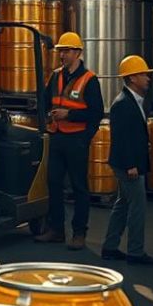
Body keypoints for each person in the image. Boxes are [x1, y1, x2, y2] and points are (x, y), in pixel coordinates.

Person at [36, 31, 104, 250]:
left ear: (77, 53)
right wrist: (48, 117)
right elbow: (45, 101)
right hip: (57, 137)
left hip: (76, 140)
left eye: (66, 51)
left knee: (79, 187)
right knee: (54, 183)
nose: (62, 55)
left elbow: (96, 113)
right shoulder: (56, 76)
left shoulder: (89, 80)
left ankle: (79, 233)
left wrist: (71, 117)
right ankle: (56, 229)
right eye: (60, 51)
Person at [102, 54, 153, 265]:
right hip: (128, 166)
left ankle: (110, 247)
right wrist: (131, 165)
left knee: (123, 204)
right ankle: (136, 252)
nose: (148, 78)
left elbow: (133, 134)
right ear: (133, 78)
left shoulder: (134, 101)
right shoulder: (123, 104)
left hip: (130, 164)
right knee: (138, 208)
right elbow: (121, 138)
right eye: (144, 74)